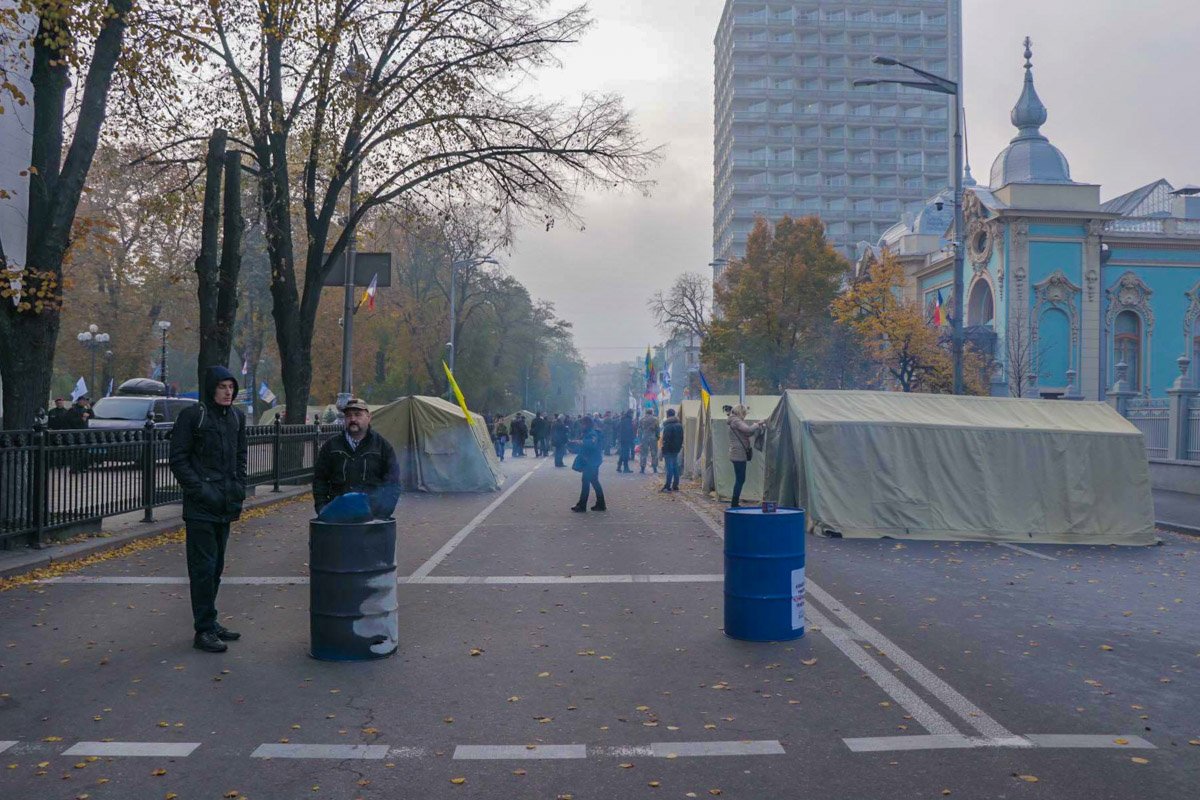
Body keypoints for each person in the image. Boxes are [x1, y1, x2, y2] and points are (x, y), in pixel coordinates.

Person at [168, 366, 248, 654]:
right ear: (211, 388)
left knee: (216, 568)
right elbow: (178, 459)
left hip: (225, 503)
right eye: (222, 387)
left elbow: (240, 457)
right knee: (202, 569)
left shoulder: (237, 418)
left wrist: (239, 487)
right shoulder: (193, 416)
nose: (228, 392)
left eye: (231, 387)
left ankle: (210, 621)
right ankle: (203, 630)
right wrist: (200, 490)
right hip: (202, 507)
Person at [728, 404, 764, 508]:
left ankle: (735, 502)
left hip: (736, 453)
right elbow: (748, 430)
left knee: (740, 478)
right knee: (740, 479)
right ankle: (734, 503)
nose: (745, 416)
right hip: (739, 454)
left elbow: (746, 434)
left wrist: (755, 428)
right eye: (744, 413)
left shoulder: (733, 421)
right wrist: (757, 424)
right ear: (741, 412)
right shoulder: (736, 421)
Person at [571, 415, 605, 513]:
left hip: (591, 461)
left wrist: (580, 442)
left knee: (586, 482)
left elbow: (591, 444)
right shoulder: (589, 432)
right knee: (594, 482)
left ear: (586, 424)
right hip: (591, 461)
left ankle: (582, 505)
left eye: (582, 424)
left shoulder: (592, 433)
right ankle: (600, 504)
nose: (581, 426)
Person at [660, 408, 684, 492]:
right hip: (676, 449)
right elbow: (682, 438)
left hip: (668, 449)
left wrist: (663, 449)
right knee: (675, 466)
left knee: (669, 468)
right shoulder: (679, 425)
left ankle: (667, 486)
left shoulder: (668, 426)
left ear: (667, 415)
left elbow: (666, 439)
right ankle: (675, 485)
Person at [637, 409, 660, 474]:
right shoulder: (655, 419)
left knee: (643, 453)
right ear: (652, 412)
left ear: (646, 412)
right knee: (654, 453)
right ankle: (655, 469)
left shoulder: (642, 419)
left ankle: (642, 469)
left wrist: (640, 439)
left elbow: (639, 430)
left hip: (644, 437)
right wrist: (657, 437)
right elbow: (657, 429)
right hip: (653, 437)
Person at [616, 409, 636, 473]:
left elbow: (618, 427)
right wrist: (632, 437)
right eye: (632, 413)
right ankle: (625, 468)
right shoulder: (628, 420)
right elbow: (629, 430)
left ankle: (619, 466)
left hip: (623, 438)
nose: (633, 415)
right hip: (627, 439)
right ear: (630, 413)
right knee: (626, 454)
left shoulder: (623, 419)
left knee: (623, 453)